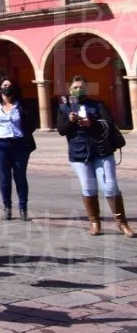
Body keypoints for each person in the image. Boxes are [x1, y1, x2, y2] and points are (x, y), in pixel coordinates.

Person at [57, 75, 134, 237]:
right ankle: (95, 223)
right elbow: (62, 130)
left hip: (101, 151)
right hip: (79, 154)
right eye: (75, 87)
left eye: (82, 87)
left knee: (109, 186)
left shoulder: (97, 105)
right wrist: (70, 121)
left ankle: (122, 223)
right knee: (88, 187)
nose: (79, 90)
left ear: (87, 89)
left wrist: (92, 122)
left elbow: (109, 122)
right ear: (70, 90)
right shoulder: (64, 108)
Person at [0, 78, 37, 222]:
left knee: (20, 176)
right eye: (5, 85)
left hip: (19, 144)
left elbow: (31, 124)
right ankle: (7, 207)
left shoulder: (22, 105)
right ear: (0, 88)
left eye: (10, 85)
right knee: (4, 177)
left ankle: (23, 208)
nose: (7, 87)